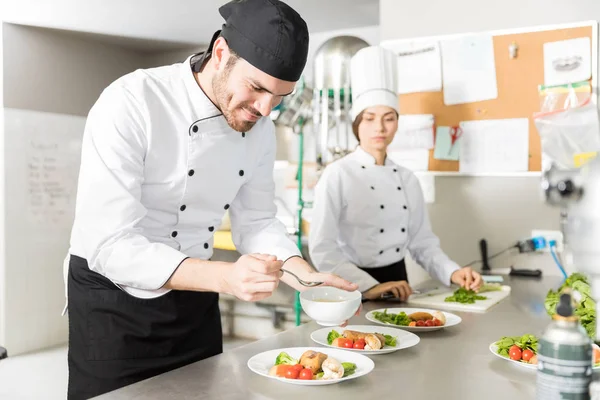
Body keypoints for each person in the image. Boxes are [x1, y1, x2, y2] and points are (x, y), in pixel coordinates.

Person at [64, 1, 357, 398]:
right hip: (113, 303)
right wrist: (226, 278)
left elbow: (256, 222)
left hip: (196, 299)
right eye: (256, 88)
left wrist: (306, 277)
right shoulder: (132, 101)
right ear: (220, 54)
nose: (265, 109)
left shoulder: (260, 126)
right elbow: (110, 244)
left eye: (281, 97)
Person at [308, 45, 481, 302]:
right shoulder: (337, 174)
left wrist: (453, 272)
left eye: (388, 118)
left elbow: (423, 243)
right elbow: (323, 249)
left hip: (398, 283)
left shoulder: (407, 178)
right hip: (351, 284)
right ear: (357, 124)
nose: (380, 127)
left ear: (397, 123)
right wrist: (366, 287)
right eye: (369, 118)